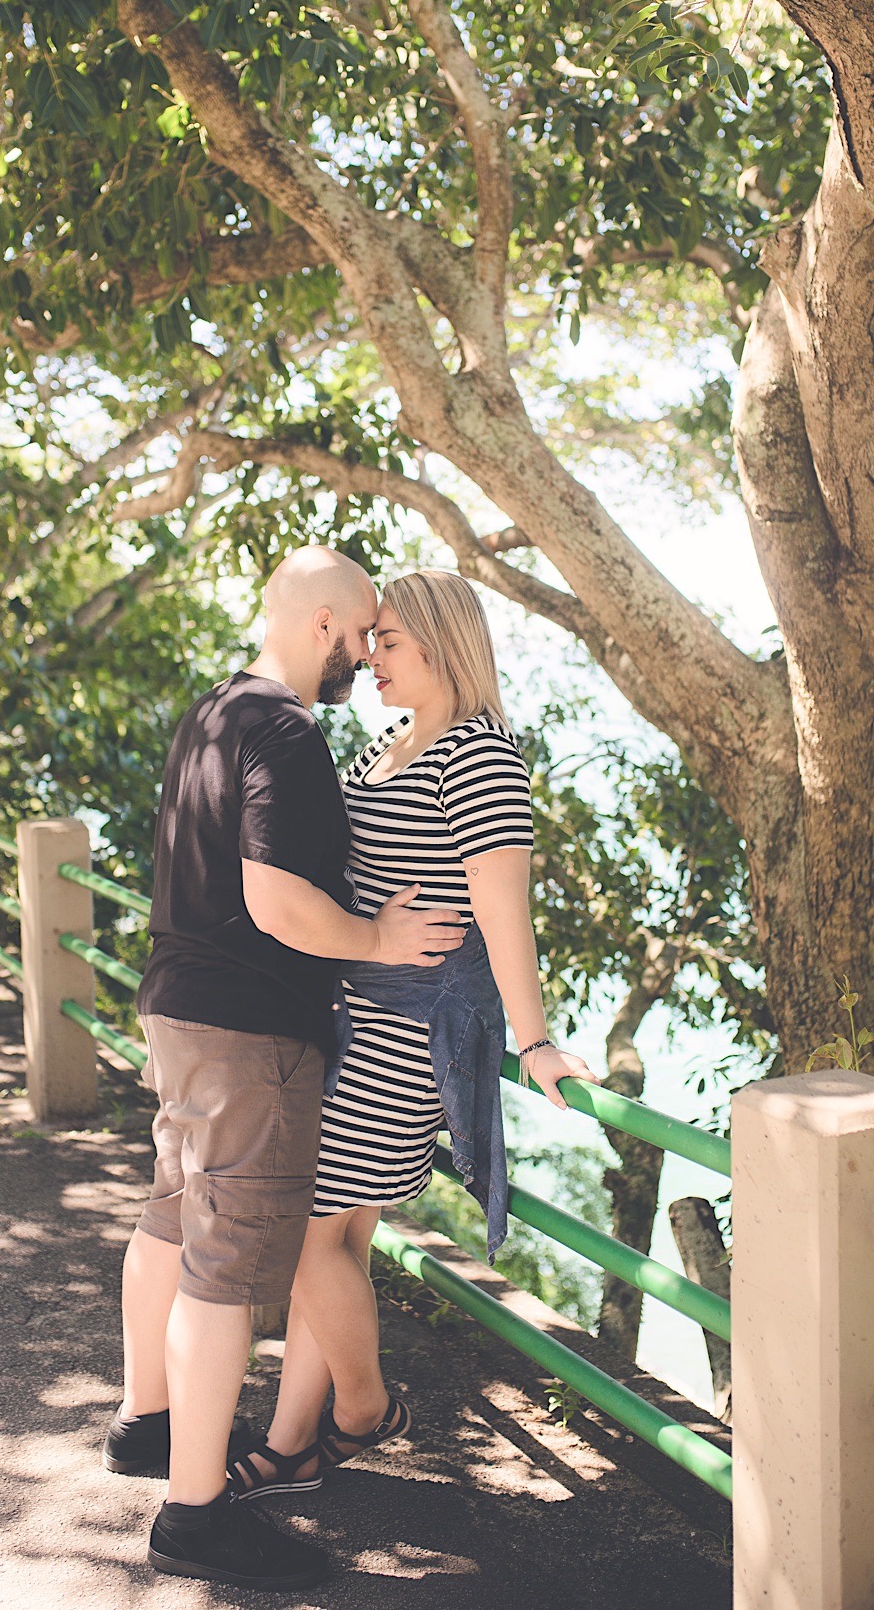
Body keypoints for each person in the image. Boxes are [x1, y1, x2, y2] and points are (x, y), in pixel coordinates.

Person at [103, 546, 466, 1592]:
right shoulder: (290, 733)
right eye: (360, 636)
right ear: (322, 627)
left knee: (172, 1214)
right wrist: (379, 940)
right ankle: (196, 1513)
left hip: (176, 1007)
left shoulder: (213, 711)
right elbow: (275, 900)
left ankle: (148, 1421)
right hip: (249, 1028)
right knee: (230, 1263)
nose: (365, 657)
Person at [227, 569, 598, 1502]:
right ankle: (290, 1444)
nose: (368, 655)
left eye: (387, 639)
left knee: (303, 1233)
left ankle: (363, 1409)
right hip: (345, 1018)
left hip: (404, 1034)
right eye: (370, 639)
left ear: (442, 644)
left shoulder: (477, 755)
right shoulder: (391, 743)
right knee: (334, 1243)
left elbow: (501, 910)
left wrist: (537, 1037)